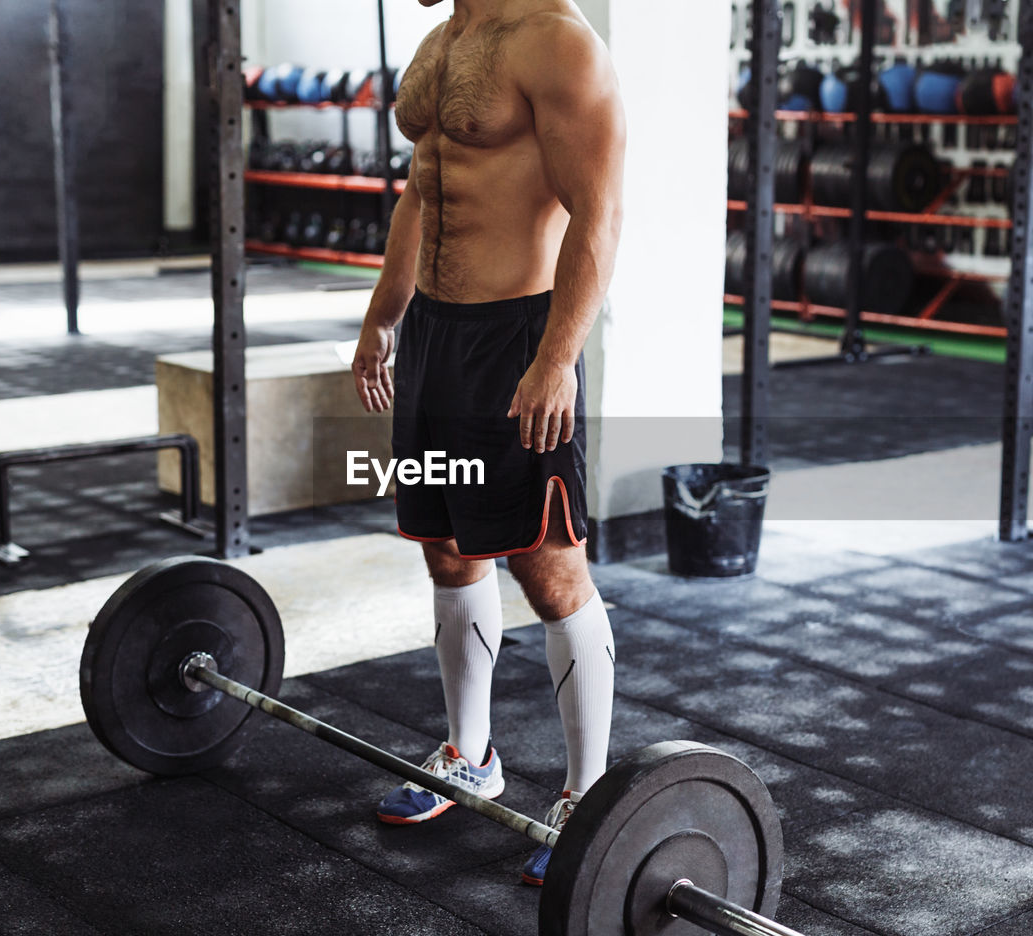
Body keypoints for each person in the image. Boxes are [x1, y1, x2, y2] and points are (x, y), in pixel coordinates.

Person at [351, 0, 625, 886]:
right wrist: (383, 317)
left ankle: (588, 799)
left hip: (516, 338)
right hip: (433, 338)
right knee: (445, 550)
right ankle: (471, 755)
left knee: (549, 565)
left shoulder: (558, 42)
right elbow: (421, 192)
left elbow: (598, 213)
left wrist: (557, 359)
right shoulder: (441, 44)